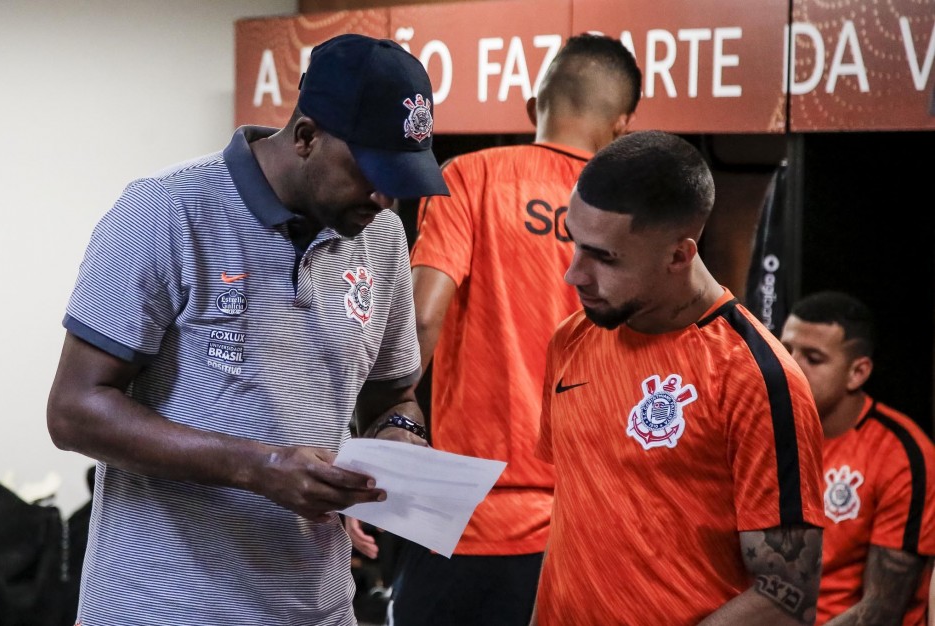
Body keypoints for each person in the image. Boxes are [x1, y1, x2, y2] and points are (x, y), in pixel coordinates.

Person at [46, 33, 448, 626]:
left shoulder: (381, 237)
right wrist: (257, 467)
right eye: (370, 171)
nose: (386, 198)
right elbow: (74, 411)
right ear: (307, 136)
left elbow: (394, 395)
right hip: (163, 606)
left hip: (316, 605)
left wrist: (398, 438)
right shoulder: (163, 212)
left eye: (401, 177)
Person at [379, 33, 642, 626]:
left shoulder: (472, 177)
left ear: (533, 106)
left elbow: (420, 318)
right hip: (586, 523)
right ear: (623, 128)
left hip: (458, 513)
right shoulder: (632, 216)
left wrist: (376, 444)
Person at [530, 130, 826, 625]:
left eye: (604, 256)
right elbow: (571, 523)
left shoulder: (756, 378)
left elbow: (787, 596)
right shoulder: (572, 340)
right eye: (575, 243)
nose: (575, 274)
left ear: (678, 256)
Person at [780, 291, 935, 625]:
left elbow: (881, 610)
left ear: (858, 372)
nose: (790, 364)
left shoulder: (901, 454)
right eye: (786, 349)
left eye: (813, 358)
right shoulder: (766, 431)